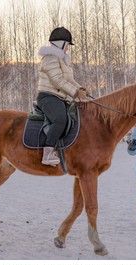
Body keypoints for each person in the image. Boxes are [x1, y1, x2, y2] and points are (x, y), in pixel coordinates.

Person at [36, 27, 88, 166]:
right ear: (61, 44)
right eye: (67, 46)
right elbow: (57, 80)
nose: (68, 50)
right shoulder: (50, 58)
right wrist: (75, 93)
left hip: (60, 97)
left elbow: (69, 81)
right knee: (60, 119)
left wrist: (81, 89)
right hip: (48, 96)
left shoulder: (63, 60)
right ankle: (47, 153)